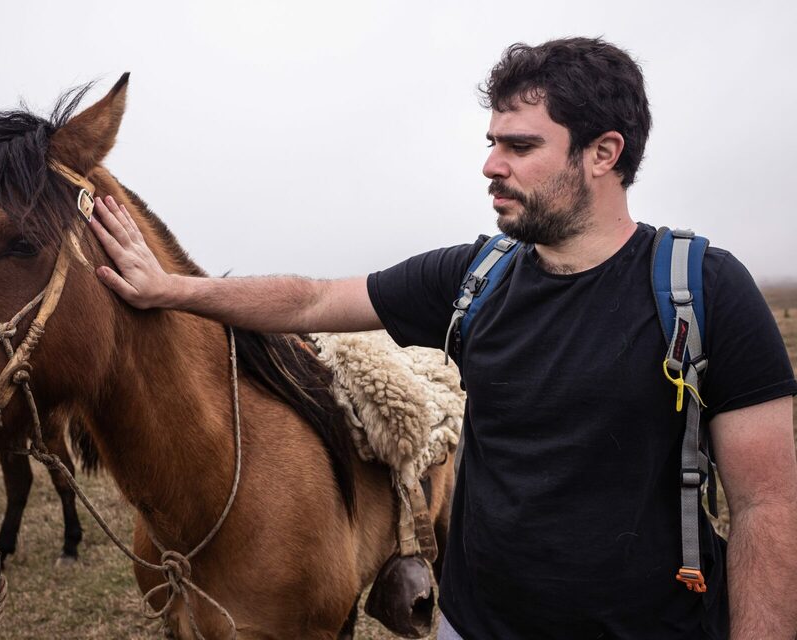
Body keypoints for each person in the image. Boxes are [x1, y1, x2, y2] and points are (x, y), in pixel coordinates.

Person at [89, 38, 797, 639]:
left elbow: (768, 505)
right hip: (472, 625)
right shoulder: (473, 278)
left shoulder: (703, 290)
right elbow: (313, 298)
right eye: (493, 143)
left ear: (603, 153)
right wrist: (173, 289)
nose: (492, 165)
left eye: (521, 146)